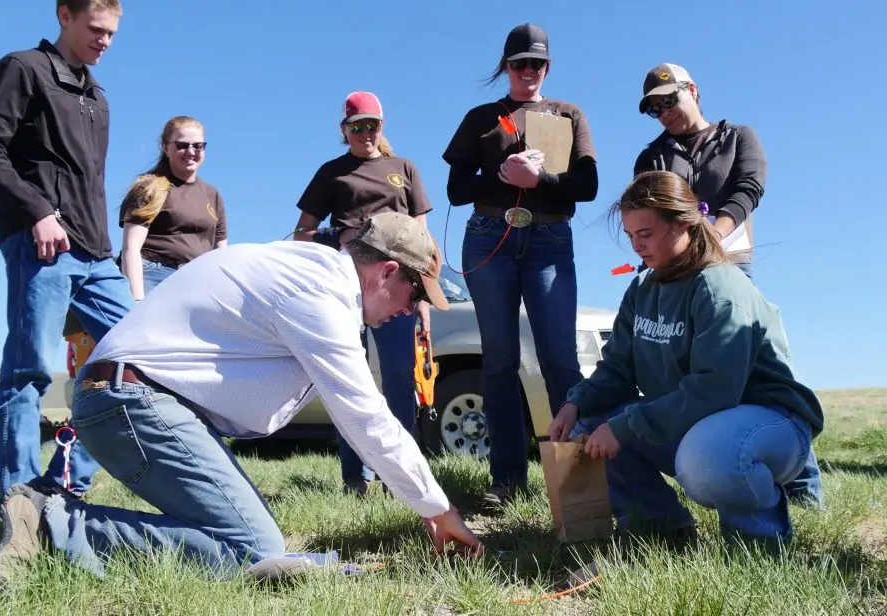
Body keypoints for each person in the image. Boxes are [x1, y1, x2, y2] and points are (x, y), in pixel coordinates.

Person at [0, 212, 484, 581]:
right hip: (132, 401)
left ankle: (52, 518)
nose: (413, 308)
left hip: (132, 398)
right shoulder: (320, 294)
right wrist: (438, 510)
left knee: (248, 536)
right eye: (415, 293)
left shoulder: (306, 269)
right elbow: (366, 417)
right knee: (251, 549)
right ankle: (54, 525)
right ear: (387, 272)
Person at [547, 170, 823, 552]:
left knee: (709, 455)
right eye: (630, 237)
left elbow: (715, 390)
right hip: (701, 421)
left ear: (683, 225)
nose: (636, 248)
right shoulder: (642, 289)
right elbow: (617, 370)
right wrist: (575, 403)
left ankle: (758, 543)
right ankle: (661, 531)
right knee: (593, 426)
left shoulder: (719, 287)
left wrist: (627, 426)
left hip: (769, 421)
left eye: (645, 234)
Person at [0, 0, 133, 512]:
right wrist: (38, 211)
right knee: (29, 370)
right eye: (94, 29)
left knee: (135, 356)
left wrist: (109, 249)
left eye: (111, 33)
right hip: (42, 246)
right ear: (64, 15)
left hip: (96, 253)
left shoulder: (97, 97)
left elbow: (91, 182)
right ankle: (19, 495)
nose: (104, 41)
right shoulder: (24, 68)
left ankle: (71, 478)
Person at [633, 63, 824, 509]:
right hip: (680, 276)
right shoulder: (652, 158)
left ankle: (802, 485)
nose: (664, 112)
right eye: (653, 109)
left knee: (763, 365)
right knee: (702, 371)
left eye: (669, 100)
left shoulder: (738, 137)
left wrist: (714, 233)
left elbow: (748, 188)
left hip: (732, 266)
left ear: (693, 91)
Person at [441, 23, 599, 505]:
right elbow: (456, 190)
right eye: (518, 63)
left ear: (548, 67)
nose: (527, 71)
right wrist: (500, 174)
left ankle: (576, 479)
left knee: (559, 357)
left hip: (550, 238)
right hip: (491, 234)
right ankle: (507, 479)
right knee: (501, 358)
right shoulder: (481, 117)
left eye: (536, 63)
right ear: (505, 67)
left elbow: (587, 187)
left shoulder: (569, 113)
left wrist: (542, 179)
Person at [292, 91, 434, 496]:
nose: (365, 132)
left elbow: (422, 239)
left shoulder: (402, 168)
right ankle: (355, 476)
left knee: (398, 379)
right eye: (357, 126)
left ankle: (400, 475)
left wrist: (422, 298)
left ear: (382, 127)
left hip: (398, 288)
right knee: (348, 379)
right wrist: (339, 235)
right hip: (345, 289)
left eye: (372, 125)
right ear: (344, 130)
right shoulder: (332, 173)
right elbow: (301, 233)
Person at [118, 115, 228, 301]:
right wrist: (137, 300)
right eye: (182, 145)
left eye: (198, 146)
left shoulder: (213, 194)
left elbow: (222, 253)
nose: (191, 151)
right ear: (165, 147)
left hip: (198, 281)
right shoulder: (149, 187)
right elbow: (131, 248)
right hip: (154, 275)